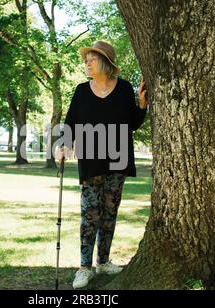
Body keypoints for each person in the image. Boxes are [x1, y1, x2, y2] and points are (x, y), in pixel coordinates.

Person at [55, 40, 149, 289]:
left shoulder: (124, 89)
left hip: (118, 161)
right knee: (90, 215)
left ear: (105, 62)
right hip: (90, 161)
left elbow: (131, 123)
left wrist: (141, 105)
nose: (86, 62)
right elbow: (70, 124)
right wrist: (62, 146)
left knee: (109, 213)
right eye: (86, 59)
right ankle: (85, 268)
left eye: (91, 58)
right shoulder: (82, 91)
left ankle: (103, 261)